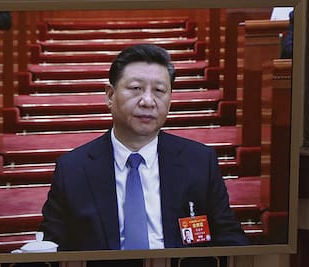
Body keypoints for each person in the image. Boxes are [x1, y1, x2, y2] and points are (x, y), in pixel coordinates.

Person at [39, 44, 248, 251]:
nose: (148, 101)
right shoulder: (73, 169)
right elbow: (52, 245)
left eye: (159, 91)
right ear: (110, 96)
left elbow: (229, 237)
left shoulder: (200, 161)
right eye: (136, 88)